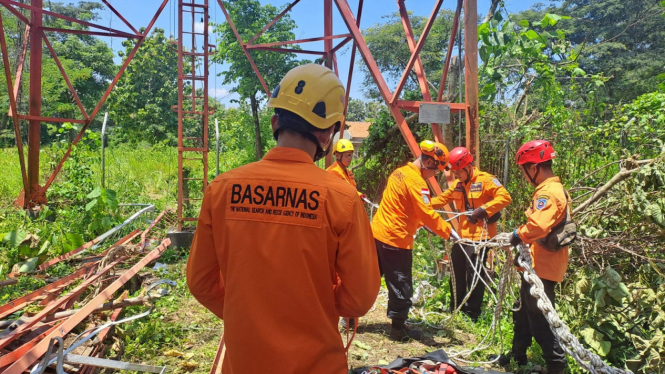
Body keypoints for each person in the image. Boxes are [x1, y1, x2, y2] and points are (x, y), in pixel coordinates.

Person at [187, 64, 381, 374]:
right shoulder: (341, 198)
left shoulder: (221, 189)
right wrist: (314, 308)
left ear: (275, 121)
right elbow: (359, 298)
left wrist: (249, 315)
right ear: (328, 132)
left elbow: (200, 281)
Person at [497, 140, 571, 374]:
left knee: (540, 320)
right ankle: (518, 354)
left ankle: (556, 365)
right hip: (536, 265)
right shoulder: (549, 190)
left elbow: (538, 226)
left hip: (543, 268)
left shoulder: (549, 192)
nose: (523, 175)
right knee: (522, 312)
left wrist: (517, 235)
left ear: (533, 167)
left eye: (523, 170)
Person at [371, 140, 455, 341]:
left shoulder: (399, 172)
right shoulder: (417, 182)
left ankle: (348, 317)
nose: (433, 174)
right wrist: (449, 232)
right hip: (396, 240)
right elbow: (426, 214)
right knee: (401, 284)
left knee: (369, 278)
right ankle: (398, 330)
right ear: (427, 161)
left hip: (377, 233)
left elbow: (407, 206)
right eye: (434, 170)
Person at [431, 147, 511, 321]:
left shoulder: (486, 180)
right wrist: (420, 203)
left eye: (459, 171)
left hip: (481, 238)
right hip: (462, 238)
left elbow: (505, 197)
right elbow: (441, 200)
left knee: (475, 275)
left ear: (468, 166)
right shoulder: (457, 185)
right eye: (455, 172)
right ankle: (456, 309)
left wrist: (483, 210)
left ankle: (472, 313)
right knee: (456, 271)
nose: (457, 174)